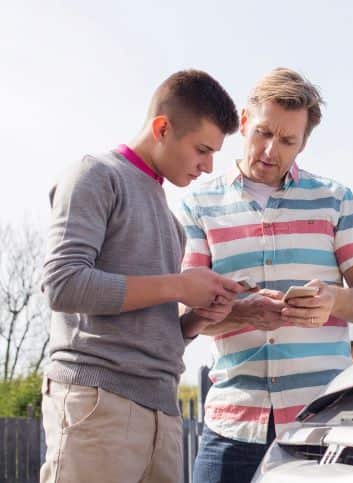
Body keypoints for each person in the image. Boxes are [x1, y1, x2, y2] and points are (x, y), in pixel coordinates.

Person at [180, 67, 353, 483]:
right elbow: (190, 314)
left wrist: (334, 299)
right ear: (242, 123)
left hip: (321, 424)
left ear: (303, 143)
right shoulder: (198, 203)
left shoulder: (335, 198)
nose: (271, 150)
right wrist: (245, 314)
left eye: (288, 140)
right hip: (233, 424)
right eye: (262, 132)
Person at [40, 69, 246, 483]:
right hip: (99, 405)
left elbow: (146, 324)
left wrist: (193, 322)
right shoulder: (95, 175)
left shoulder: (172, 222)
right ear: (162, 128)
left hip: (163, 413)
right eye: (202, 150)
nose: (208, 167)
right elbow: (62, 284)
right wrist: (180, 285)